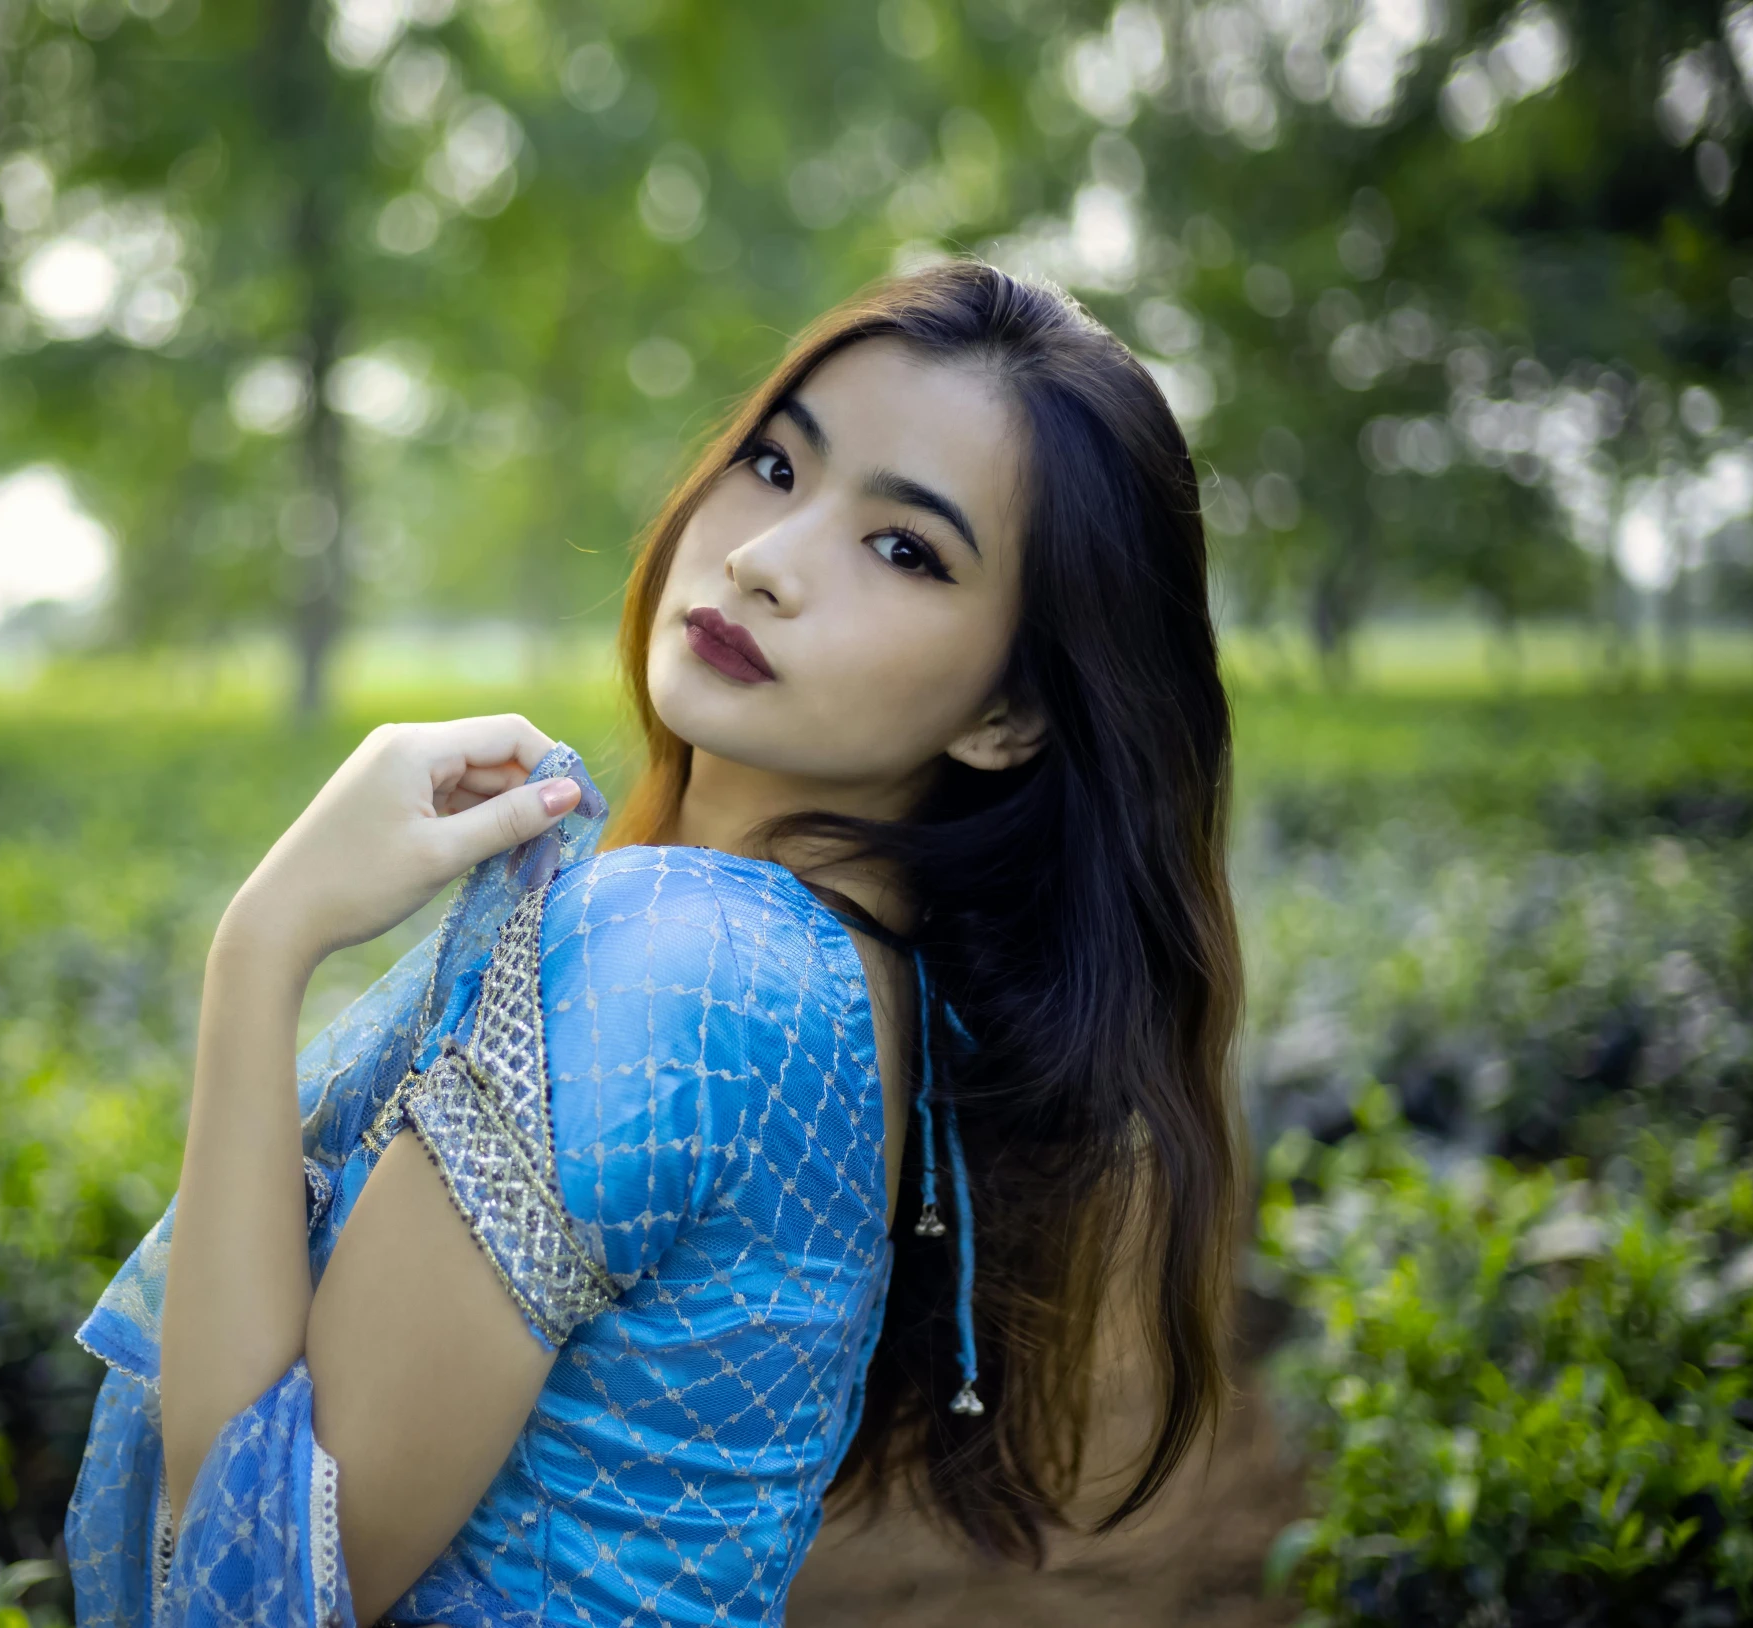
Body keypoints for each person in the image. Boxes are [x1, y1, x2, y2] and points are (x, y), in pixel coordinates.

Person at [66, 259, 1243, 1627]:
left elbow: (259, 1590)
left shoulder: (684, 966)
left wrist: (262, 947)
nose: (763, 559)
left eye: (903, 548)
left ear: (1008, 715)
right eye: (773, 466)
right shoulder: (862, 983)